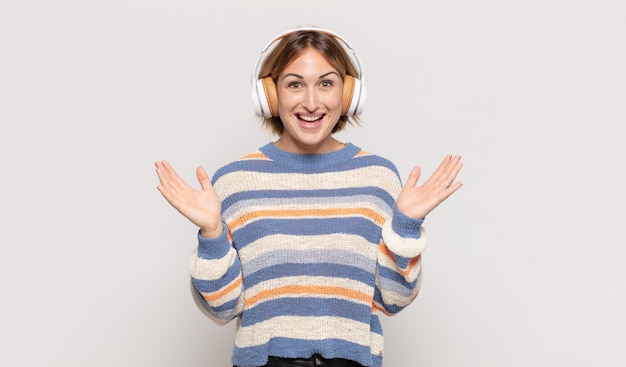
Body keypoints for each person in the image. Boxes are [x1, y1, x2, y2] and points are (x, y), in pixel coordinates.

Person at [155, 27, 463, 367]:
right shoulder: (234, 182)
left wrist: (405, 225)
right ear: (270, 95)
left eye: (326, 84)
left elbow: (394, 299)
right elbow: (222, 308)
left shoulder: (379, 179)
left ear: (348, 94)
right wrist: (212, 233)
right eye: (294, 84)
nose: (312, 102)